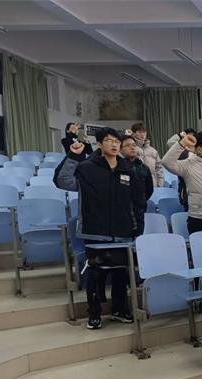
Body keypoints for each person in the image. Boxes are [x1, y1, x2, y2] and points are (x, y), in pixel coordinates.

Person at [54, 128, 145, 330]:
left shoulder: (127, 169)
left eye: (117, 141)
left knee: (121, 273)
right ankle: (94, 313)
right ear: (100, 144)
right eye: (109, 140)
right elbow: (63, 181)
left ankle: (119, 309)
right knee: (96, 274)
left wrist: (138, 226)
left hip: (122, 231)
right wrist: (73, 156)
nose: (114, 144)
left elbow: (138, 200)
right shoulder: (87, 167)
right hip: (95, 231)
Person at [120, 135, 153, 233]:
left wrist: (141, 200)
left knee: (138, 237)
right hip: (122, 211)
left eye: (134, 145)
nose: (132, 147)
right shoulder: (118, 168)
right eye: (127, 145)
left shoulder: (144, 168)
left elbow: (149, 189)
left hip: (139, 210)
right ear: (120, 150)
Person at [165, 128, 196, 211]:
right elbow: (170, 143)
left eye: (192, 137)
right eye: (188, 137)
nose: (190, 139)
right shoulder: (182, 151)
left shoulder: (198, 152)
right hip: (186, 189)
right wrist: (180, 135)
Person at [131, 122, 164, 187]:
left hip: (152, 185)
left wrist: (160, 186)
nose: (142, 134)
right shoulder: (130, 149)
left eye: (144, 132)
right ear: (133, 133)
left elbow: (159, 170)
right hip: (135, 185)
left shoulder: (153, 151)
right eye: (139, 132)